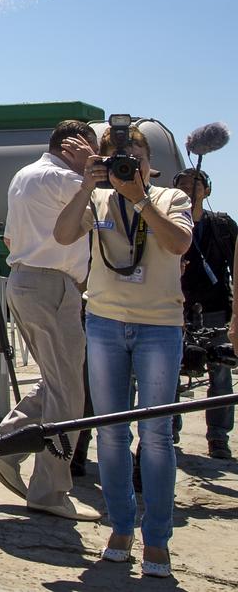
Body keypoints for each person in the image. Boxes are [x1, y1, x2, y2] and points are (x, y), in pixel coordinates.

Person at [54, 124, 193, 578]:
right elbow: (61, 234)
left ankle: (157, 539)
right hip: (107, 322)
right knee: (110, 432)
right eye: (118, 160)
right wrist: (86, 185)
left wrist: (140, 198)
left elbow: (178, 243)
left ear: (150, 163)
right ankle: (119, 527)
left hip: (159, 326)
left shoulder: (172, 199)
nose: (127, 167)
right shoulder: (96, 200)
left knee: (155, 436)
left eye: (134, 158)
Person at [0, 121, 102, 520]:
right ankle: (49, 491)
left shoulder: (26, 175)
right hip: (53, 286)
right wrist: (91, 171)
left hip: (27, 281)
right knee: (69, 395)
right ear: (75, 147)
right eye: (91, 151)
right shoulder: (65, 179)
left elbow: (11, 239)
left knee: (56, 383)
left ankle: (3, 446)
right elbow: (110, 212)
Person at [174, 167, 236, 458]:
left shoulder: (222, 225)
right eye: (183, 183)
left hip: (214, 309)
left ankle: (218, 437)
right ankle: (169, 428)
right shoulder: (168, 221)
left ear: (207, 190)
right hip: (174, 309)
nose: (189, 187)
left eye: (196, 183)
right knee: (168, 374)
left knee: (221, 376)